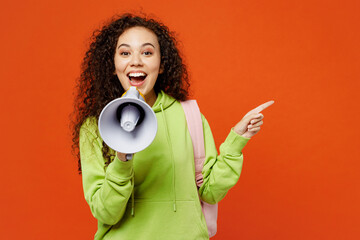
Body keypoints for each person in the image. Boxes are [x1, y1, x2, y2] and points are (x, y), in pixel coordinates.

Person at [72, 13, 273, 240]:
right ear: (113, 65)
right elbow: (105, 212)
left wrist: (236, 140)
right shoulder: (96, 127)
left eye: (147, 52)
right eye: (125, 53)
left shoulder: (190, 116)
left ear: (161, 65)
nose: (136, 61)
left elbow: (210, 191)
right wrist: (121, 160)